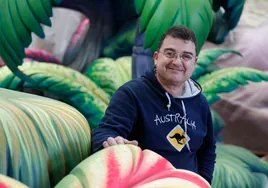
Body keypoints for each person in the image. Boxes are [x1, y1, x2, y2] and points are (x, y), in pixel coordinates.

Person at [91, 25, 216, 184]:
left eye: (186, 56)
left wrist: (203, 182)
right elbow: (105, 131)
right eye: (170, 53)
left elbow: (208, 149)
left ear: (194, 62)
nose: (177, 62)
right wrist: (111, 141)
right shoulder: (132, 94)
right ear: (156, 57)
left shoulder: (200, 102)